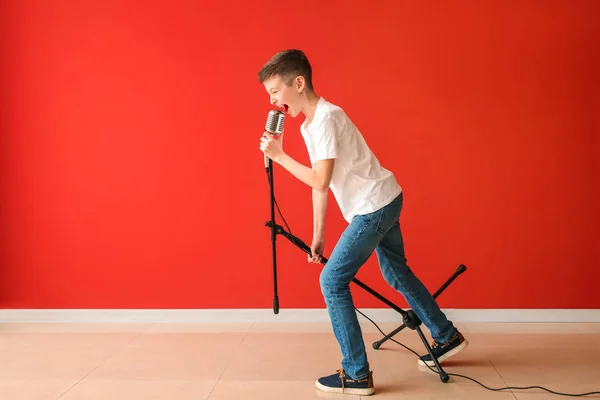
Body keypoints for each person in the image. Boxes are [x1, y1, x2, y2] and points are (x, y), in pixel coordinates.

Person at [257, 49, 468, 396]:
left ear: (298, 83)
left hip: (374, 208)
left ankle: (356, 374)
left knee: (332, 281)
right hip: (385, 199)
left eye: (275, 92)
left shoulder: (326, 118)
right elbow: (320, 183)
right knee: (396, 272)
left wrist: (279, 157)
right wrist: (319, 235)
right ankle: (446, 336)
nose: (273, 101)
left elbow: (320, 181)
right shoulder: (312, 124)